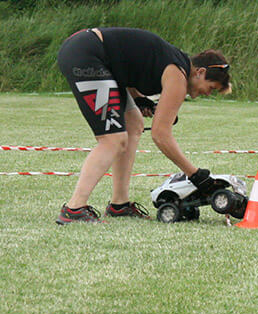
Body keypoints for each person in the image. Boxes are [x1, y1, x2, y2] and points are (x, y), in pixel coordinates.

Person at [55, 27, 231, 224]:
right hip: (86, 54)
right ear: (200, 72)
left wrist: (138, 98)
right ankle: (74, 209)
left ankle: (119, 204)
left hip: (90, 51)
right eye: (211, 87)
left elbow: (127, 63)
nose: (208, 93)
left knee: (134, 124)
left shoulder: (176, 64)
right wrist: (195, 175)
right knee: (112, 140)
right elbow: (160, 135)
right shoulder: (178, 77)